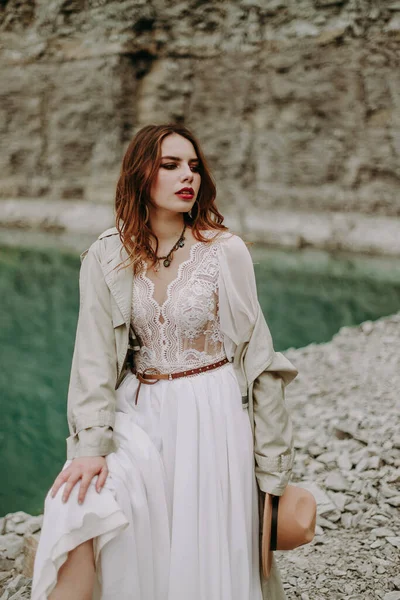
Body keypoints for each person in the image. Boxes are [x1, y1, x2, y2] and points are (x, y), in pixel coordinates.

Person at [31, 123, 298, 600]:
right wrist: (90, 444)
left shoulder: (225, 252)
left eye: (193, 166)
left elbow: (261, 363)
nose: (186, 176)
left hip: (212, 415)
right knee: (75, 508)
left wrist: (272, 467)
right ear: (140, 174)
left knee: (195, 554)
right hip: (137, 411)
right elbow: (91, 359)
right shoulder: (106, 255)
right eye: (170, 164)